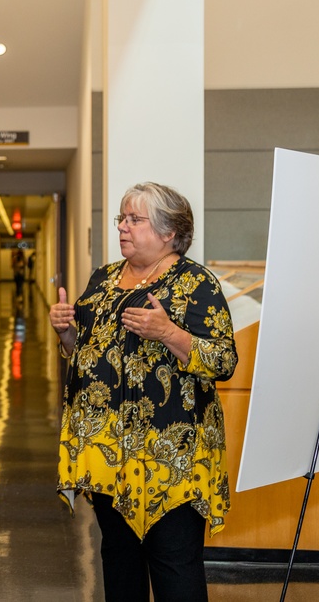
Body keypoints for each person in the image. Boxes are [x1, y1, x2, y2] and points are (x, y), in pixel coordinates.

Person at [49, 182, 237, 601]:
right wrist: (65, 332)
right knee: (119, 558)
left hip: (171, 456)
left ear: (169, 231)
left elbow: (224, 360)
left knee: (174, 563)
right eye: (121, 217)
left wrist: (169, 333)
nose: (123, 227)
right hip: (107, 451)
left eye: (135, 219)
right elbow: (83, 351)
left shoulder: (195, 283)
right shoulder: (104, 278)